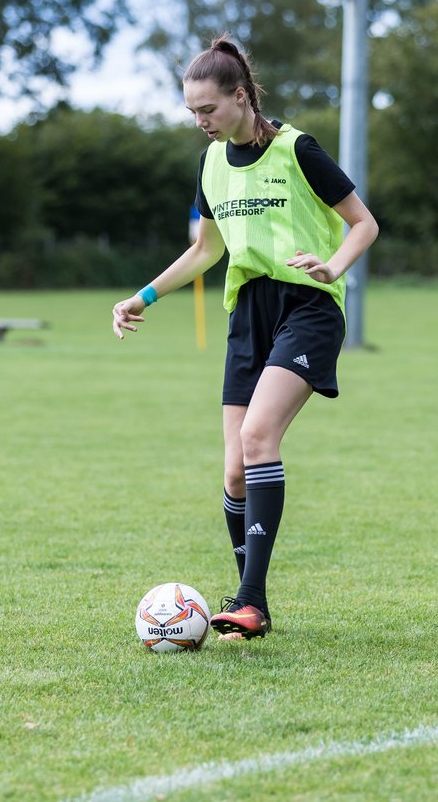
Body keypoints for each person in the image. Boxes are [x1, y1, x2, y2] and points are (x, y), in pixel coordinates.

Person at [111, 34, 379, 641]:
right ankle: (243, 600)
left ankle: (251, 602)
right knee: (234, 474)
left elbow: (364, 223)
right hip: (248, 314)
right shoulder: (209, 164)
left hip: (308, 306)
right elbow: (205, 249)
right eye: (191, 113)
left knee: (260, 437)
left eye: (207, 110)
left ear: (241, 96)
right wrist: (142, 295)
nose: (199, 122)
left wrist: (334, 268)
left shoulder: (297, 149)